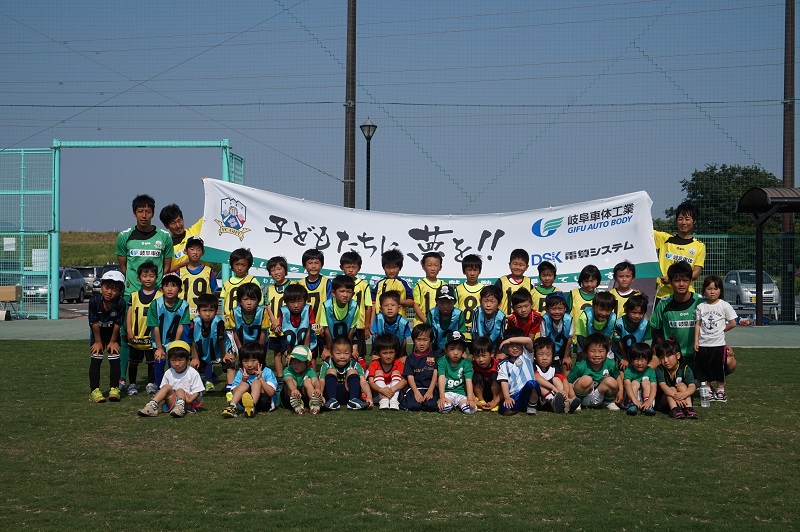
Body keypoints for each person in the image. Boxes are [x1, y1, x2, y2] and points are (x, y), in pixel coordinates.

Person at [116, 194, 174, 388]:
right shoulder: (124, 236)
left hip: (157, 295)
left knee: (157, 336)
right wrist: (135, 284)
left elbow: (166, 266)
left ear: (153, 213)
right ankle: (122, 378)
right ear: (134, 213)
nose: (144, 215)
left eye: (147, 211)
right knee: (127, 336)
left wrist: (155, 285)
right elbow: (124, 265)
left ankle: (157, 379)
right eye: (140, 211)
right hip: (132, 293)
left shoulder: (164, 237)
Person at [650, 261, 703, 370]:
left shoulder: (700, 302)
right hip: (671, 356)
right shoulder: (664, 303)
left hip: (698, 354)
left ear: (690, 281)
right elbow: (654, 329)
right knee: (649, 368)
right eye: (677, 280)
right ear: (670, 281)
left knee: (730, 361)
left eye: (685, 280)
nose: (681, 284)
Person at [694, 275, 737, 402]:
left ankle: (720, 391)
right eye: (709, 289)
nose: (712, 292)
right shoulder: (701, 307)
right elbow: (698, 325)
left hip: (718, 344)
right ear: (704, 290)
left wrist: (722, 329)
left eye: (715, 289)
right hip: (703, 344)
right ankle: (707, 390)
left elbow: (732, 323)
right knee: (704, 368)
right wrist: (696, 341)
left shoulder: (724, 305)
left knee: (718, 367)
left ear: (720, 290)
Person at [146, 273, 190, 391]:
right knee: (159, 362)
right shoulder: (155, 304)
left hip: (174, 341)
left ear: (179, 290)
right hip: (158, 341)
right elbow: (155, 326)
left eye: (173, 285)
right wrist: (159, 347)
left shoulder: (184, 305)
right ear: (161, 289)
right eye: (166, 285)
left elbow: (180, 326)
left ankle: (176, 387)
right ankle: (160, 387)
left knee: (175, 363)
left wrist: (175, 345)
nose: (170, 289)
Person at [87, 270, 127, 403]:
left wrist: (113, 341)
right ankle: (94, 391)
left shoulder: (121, 303)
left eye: (114, 289)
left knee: (114, 359)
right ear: (101, 286)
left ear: (120, 291)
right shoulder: (94, 301)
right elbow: (93, 322)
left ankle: (114, 389)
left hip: (112, 334)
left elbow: (118, 323)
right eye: (107, 287)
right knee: (96, 358)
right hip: (97, 333)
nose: (109, 292)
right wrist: (98, 341)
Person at [654, 202, 705, 303]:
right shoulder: (664, 239)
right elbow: (643, 230)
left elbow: (695, 274)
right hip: (663, 295)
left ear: (694, 221)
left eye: (687, 219)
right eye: (680, 219)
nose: (683, 222)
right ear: (676, 221)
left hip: (687, 296)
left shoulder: (699, 246)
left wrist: (673, 280)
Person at [137, 341, 203, 418]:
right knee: (166, 387)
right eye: (173, 360)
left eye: (180, 360)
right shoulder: (168, 373)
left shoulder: (192, 372)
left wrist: (189, 400)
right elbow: (164, 390)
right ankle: (152, 406)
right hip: (173, 400)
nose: (177, 364)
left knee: (180, 390)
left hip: (188, 401)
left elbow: (197, 391)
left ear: (187, 360)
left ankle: (180, 408)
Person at [225, 283, 269, 394]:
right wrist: (240, 348)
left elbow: (263, 331)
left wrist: (260, 349)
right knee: (240, 364)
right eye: (245, 299)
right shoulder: (235, 312)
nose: (249, 302)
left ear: (258, 300)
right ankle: (235, 387)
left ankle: (260, 387)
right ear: (240, 300)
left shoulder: (262, 312)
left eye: (253, 299)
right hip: (241, 342)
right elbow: (235, 331)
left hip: (258, 344)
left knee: (258, 365)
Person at [125, 261, 161, 396]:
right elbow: (129, 314)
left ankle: (151, 383)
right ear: (138, 278)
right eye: (145, 276)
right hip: (136, 336)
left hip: (151, 338)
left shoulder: (160, 296)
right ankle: (132, 384)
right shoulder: (134, 296)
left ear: (156, 277)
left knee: (152, 362)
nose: (148, 279)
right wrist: (129, 331)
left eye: (151, 276)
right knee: (133, 362)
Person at [221, 342, 278, 418]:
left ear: (260, 360)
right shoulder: (241, 373)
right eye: (245, 361)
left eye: (253, 361)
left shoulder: (267, 372)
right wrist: (243, 381)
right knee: (244, 384)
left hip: (264, 403)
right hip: (243, 403)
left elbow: (271, 392)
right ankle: (232, 406)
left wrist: (261, 379)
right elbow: (234, 392)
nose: (249, 365)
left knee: (256, 383)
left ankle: (251, 407)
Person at [567, 333, 623, 410]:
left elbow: (617, 376)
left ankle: (608, 402)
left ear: (607, 352)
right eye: (592, 351)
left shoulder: (610, 363)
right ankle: (577, 403)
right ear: (586, 352)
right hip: (584, 396)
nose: (597, 354)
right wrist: (572, 396)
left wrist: (621, 391)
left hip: (600, 395)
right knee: (586, 379)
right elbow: (569, 381)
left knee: (611, 381)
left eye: (601, 351)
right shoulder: (580, 365)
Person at [319, 336, 372, 411]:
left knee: (352, 371)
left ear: (351, 353)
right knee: (331, 371)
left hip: (348, 393)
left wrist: (369, 396)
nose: (342, 356)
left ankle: (353, 400)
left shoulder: (355, 364)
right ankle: (332, 401)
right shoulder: (327, 364)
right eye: (338, 353)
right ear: (331, 353)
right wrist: (320, 395)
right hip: (331, 393)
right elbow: (321, 381)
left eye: (346, 353)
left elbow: (363, 382)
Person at [220, 248, 260, 341]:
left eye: (243, 265)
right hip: (229, 322)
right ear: (232, 265)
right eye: (237, 264)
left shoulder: (252, 280)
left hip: (245, 323)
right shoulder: (227, 283)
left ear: (248, 265)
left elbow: (259, 301)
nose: (239, 268)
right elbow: (224, 302)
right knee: (230, 348)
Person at [496, 328, 539, 415]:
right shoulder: (503, 364)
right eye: (511, 345)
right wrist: (507, 397)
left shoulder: (527, 355)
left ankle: (532, 405)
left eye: (518, 344)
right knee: (505, 410)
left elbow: (529, 340)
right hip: (515, 395)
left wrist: (510, 340)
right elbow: (504, 382)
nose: (515, 348)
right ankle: (517, 408)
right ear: (505, 347)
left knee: (532, 384)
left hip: (528, 392)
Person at [533, 336, 580, 414]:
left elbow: (564, 379)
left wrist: (565, 391)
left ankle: (566, 402)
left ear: (552, 356)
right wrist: (553, 388)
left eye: (548, 355)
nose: (544, 358)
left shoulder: (553, 368)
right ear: (535, 355)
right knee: (538, 384)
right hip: (540, 398)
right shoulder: (534, 366)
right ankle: (553, 401)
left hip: (555, 394)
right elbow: (537, 378)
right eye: (540, 354)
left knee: (556, 379)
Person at [340, 251, 373, 361]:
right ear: (341, 267)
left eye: (354, 267)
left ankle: (359, 370)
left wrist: (366, 326)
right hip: (343, 324)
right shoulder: (338, 284)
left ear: (359, 268)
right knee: (343, 351)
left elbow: (368, 307)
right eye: (348, 267)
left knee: (358, 353)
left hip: (359, 325)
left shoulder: (364, 285)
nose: (350, 270)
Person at [264, 255, 291, 386]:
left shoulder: (292, 285)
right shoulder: (270, 288)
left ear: (285, 270)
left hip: (288, 326)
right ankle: (280, 378)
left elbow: (292, 306)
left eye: (279, 269)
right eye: (273, 270)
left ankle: (290, 376)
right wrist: (274, 321)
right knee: (277, 353)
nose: (276, 272)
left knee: (288, 352)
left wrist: (280, 321)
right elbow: (268, 305)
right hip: (274, 327)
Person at [400, 323, 441, 412]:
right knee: (413, 406)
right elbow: (410, 376)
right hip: (415, 388)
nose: (422, 343)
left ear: (430, 341)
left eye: (425, 340)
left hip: (430, 388)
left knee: (430, 406)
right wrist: (416, 392)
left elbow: (435, 374)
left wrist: (430, 391)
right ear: (413, 340)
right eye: (418, 340)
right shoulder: (410, 358)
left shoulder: (435, 356)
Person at [655, 339, 698, 419]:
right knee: (671, 388)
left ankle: (689, 408)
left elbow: (692, 386)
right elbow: (663, 386)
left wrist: (685, 394)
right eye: (662, 357)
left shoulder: (685, 368)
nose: (665, 360)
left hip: (683, 398)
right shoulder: (659, 369)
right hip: (665, 400)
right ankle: (675, 409)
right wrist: (676, 396)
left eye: (668, 356)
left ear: (678, 355)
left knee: (681, 385)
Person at [275, 283, 318, 364]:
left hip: (307, 343)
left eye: (299, 301)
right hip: (291, 345)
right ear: (286, 302)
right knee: (293, 364)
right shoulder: (284, 311)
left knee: (309, 363)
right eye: (292, 302)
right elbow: (286, 332)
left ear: (305, 300)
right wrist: (290, 352)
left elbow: (308, 330)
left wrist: (306, 351)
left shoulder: (307, 309)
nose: (296, 305)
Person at [190, 293, 225, 393]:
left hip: (216, 349)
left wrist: (224, 354)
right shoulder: (195, 322)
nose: (208, 314)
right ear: (198, 311)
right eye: (204, 310)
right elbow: (192, 340)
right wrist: (195, 357)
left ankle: (229, 386)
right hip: (201, 348)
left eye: (211, 310)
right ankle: (195, 383)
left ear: (216, 311)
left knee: (228, 363)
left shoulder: (218, 322)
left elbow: (221, 340)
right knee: (196, 362)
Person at [437, 331, 478, 414]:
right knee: (444, 408)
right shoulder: (442, 361)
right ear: (446, 349)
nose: (455, 353)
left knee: (471, 410)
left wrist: (470, 399)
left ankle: (458, 405)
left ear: (463, 351)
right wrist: (442, 397)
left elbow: (468, 381)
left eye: (459, 349)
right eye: (452, 349)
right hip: (447, 393)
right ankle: (451, 404)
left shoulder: (467, 363)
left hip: (461, 393)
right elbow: (441, 378)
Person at [177, 236, 219, 318]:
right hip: (183, 316)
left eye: (198, 249)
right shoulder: (179, 272)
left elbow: (213, 294)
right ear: (185, 251)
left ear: (203, 252)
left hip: (203, 317)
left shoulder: (209, 272)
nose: (195, 252)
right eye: (192, 249)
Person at [319, 274, 359, 359]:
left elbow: (351, 329)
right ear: (333, 293)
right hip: (330, 338)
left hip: (347, 337)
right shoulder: (326, 306)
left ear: (353, 294)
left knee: (352, 355)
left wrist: (347, 349)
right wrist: (330, 350)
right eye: (342, 291)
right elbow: (326, 329)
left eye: (349, 292)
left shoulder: (354, 306)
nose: (345, 295)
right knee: (328, 355)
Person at [367, 333, 407, 410]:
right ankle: (384, 401)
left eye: (391, 352)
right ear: (378, 353)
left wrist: (393, 389)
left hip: (395, 391)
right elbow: (371, 382)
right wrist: (381, 390)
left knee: (396, 372)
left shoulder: (398, 363)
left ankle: (394, 401)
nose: (388, 356)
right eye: (384, 353)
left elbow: (404, 381)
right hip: (379, 392)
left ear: (396, 352)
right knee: (378, 372)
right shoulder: (374, 364)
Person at [158, 203, 202, 272]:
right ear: (166, 226)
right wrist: (182, 264)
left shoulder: (195, 230)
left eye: (179, 221)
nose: (178, 226)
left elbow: (210, 214)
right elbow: (163, 271)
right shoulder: (166, 246)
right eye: (173, 223)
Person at [281, 345, 323, 415]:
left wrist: (318, 389)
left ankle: (314, 402)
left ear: (308, 363)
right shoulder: (288, 369)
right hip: (288, 397)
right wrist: (294, 389)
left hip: (303, 396)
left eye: (299, 362)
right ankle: (297, 404)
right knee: (292, 382)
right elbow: (288, 380)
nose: (295, 365)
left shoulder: (309, 370)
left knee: (308, 381)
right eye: (294, 361)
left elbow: (315, 380)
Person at [612, 294, 651, 370]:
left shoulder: (645, 324)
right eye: (634, 312)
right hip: (620, 355)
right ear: (627, 311)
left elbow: (643, 342)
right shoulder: (619, 323)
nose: (637, 316)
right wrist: (625, 358)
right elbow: (618, 341)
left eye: (640, 313)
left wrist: (639, 358)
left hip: (636, 356)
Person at [296, 248, 332, 329]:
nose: (313, 266)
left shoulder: (327, 282)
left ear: (322, 265)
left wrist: (325, 325)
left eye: (316, 263)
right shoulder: (300, 283)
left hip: (322, 326)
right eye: (310, 263)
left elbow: (330, 305)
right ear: (304, 265)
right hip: (304, 326)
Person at [540, 291, 574, 373]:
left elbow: (569, 339)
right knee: (549, 369)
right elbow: (543, 339)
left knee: (566, 365)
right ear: (547, 309)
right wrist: (547, 356)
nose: (557, 312)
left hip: (564, 349)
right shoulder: (544, 319)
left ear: (565, 309)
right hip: (549, 348)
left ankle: (566, 380)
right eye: (553, 309)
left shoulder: (569, 319)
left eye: (560, 308)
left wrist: (566, 356)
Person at [371, 290, 411, 359]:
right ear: (381, 309)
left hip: (398, 351)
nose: (389, 308)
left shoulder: (403, 322)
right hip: (381, 350)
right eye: (386, 305)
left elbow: (404, 341)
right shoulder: (378, 319)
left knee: (403, 360)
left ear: (399, 308)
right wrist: (377, 353)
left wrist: (401, 354)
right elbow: (376, 337)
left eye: (393, 305)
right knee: (375, 359)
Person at [575, 291, 616, 355]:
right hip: (585, 343)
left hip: (604, 345)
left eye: (608, 310)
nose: (604, 313)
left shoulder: (613, 319)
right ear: (593, 307)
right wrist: (584, 352)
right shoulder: (585, 317)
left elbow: (609, 340)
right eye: (601, 309)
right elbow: (582, 337)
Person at [494, 248, 534, 316]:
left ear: (527, 267)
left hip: (523, 320)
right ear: (509, 264)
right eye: (515, 264)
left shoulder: (529, 282)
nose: (517, 267)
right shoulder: (501, 281)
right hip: (504, 320)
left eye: (521, 265)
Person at [455, 253, 484, 346]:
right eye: (469, 270)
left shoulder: (484, 290)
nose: (472, 273)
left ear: (480, 271)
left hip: (478, 331)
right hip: (461, 331)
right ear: (464, 271)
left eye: (475, 270)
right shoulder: (458, 289)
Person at [427, 284, 465, 352]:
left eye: (449, 302)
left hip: (454, 350)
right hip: (434, 349)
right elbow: (428, 335)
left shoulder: (459, 315)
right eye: (441, 303)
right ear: (436, 302)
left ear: (454, 302)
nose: (445, 306)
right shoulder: (432, 314)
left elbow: (462, 335)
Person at [622, 342, 657, 416]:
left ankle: (648, 406)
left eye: (643, 360)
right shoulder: (629, 370)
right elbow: (627, 384)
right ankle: (632, 405)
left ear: (648, 360)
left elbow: (654, 386)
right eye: (636, 359)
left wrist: (650, 400)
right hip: (631, 398)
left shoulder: (651, 371)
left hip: (648, 398)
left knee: (646, 382)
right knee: (635, 382)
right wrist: (634, 400)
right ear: (631, 360)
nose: (639, 363)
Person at [412, 251, 445, 327]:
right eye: (429, 265)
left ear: (440, 267)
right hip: (422, 325)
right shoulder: (420, 285)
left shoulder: (444, 286)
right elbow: (416, 306)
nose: (432, 268)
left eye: (436, 265)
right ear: (423, 266)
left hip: (439, 325)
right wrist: (427, 321)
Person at [471, 284, 507, 351]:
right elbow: (474, 333)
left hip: (494, 347)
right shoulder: (477, 312)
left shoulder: (501, 316)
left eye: (492, 302)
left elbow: (500, 337)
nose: (488, 305)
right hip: (479, 345)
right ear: (480, 302)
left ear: (499, 304)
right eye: (485, 301)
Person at [471, 336, 501, 412]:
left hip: (494, 392)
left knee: (495, 375)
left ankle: (494, 400)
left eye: (484, 356)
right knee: (476, 375)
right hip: (481, 391)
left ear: (492, 354)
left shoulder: (498, 365)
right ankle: (481, 400)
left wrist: (495, 401)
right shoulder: (473, 365)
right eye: (477, 356)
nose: (480, 360)